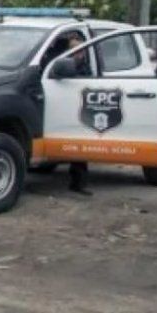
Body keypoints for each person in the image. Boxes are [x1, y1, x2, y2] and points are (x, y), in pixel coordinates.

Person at [64, 31, 93, 196]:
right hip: (64, 108)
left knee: (80, 147)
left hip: (80, 110)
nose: (77, 53)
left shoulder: (85, 67)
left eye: (80, 50)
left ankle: (78, 183)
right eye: (73, 50)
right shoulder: (62, 63)